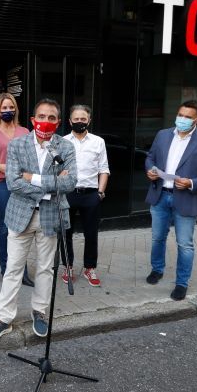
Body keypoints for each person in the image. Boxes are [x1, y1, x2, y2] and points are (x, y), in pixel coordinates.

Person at [0, 99, 77, 340]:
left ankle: (40, 312)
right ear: (34, 119)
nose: (46, 121)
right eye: (42, 116)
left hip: (50, 216)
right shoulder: (18, 144)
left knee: (45, 268)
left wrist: (32, 178)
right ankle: (4, 318)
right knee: (13, 268)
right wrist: (50, 186)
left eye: (51, 117)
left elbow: (69, 183)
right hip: (20, 215)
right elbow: (13, 182)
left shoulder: (65, 147)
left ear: (58, 121)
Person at [144, 100, 197, 301]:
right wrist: (150, 170)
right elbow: (150, 157)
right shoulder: (163, 135)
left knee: (185, 244)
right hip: (160, 194)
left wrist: (191, 182)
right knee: (157, 238)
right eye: (181, 115)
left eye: (188, 117)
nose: (183, 119)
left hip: (187, 198)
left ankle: (181, 283)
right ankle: (157, 269)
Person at [0, 92, 34, 287]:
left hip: (21, 183)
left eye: (11, 107)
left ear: (15, 109)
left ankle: (23, 272)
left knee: (22, 226)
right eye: (4, 108)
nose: (8, 110)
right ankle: (6, 270)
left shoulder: (25, 131)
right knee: (5, 226)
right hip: (0, 183)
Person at [61, 105, 109, 287]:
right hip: (68, 193)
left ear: (89, 120)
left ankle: (90, 268)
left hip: (91, 194)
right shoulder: (62, 141)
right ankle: (68, 266)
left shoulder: (98, 142)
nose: (79, 122)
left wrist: (100, 192)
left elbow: (104, 169)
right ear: (70, 121)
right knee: (65, 233)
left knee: (91, 234)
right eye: (76, 119)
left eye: (83, 119)